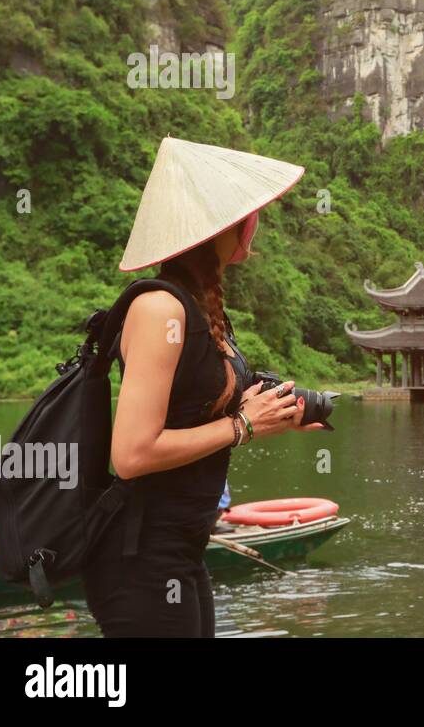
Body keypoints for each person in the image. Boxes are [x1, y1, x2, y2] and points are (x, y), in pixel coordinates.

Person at [82, 137, 323, 637]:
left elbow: (199, 406)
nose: (255, 223)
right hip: (141, 560)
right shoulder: (159, 309)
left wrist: (277, 410)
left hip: (183, 552)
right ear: (220, 224)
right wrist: (242, 426)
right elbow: (130, 454)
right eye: (248, 214)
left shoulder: (202, 310)